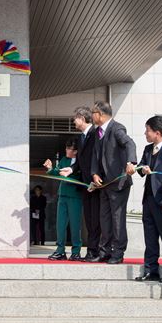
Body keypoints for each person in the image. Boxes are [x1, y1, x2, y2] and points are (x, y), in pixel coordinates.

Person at [129, 116, 162, 282]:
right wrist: (138, 168)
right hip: (148, 199)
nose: (145, 133)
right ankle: (151, 270)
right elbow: (141, 168)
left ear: (157, 133)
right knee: (149, 237)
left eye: (147, 130)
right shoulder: (148, 149)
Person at [88, 101, 137, 264]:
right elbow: (95, 155)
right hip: (104, 184)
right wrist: (94, 173)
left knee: (117, 219)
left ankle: (118, 252)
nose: (91, 115)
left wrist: (131, 162)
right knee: (105, 218)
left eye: (93, 112)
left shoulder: (117, 128)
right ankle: (105, 251)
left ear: (100, 114)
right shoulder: (97, 132)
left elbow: (130, 143)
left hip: (118, 183)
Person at [60, 106, 100, 261]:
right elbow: (81, 161)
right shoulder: (81, 137)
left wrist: (94, 179)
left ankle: (96, 251)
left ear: (82, 119)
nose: (73, 121)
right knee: (89, 220)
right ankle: (91, 252)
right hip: (85, 185)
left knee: (95, 220)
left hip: (95, 184)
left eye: (75, 118)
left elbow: (97, 159)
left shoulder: (96, 134)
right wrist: (71, 169)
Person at [45, 138, 83, 261]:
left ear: (76, 151)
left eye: (69, 148)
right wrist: (50, 169)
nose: (66, 150)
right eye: (66, 148)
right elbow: (57, 173)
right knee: (60, 224)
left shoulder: (81, 161)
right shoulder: (64, 160)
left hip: (76, 196)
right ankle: (60, 251)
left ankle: (76, 251)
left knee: (75, 225)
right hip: (62, 195)